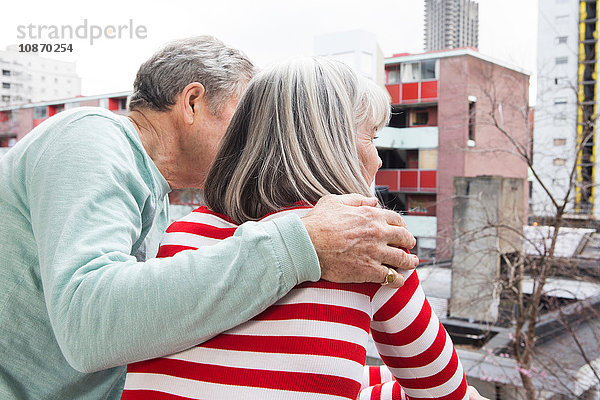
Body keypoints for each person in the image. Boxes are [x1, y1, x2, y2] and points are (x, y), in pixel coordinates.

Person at [0, 36, 419, 399]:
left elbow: (178, 338)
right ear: (193, 102)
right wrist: (301, 242)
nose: (256, 140)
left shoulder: (152, 193)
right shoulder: (91, 138)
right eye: (245, 121)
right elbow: (88, 325)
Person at [121, 57, 470, 400]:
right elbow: (444, 391)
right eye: (372, 138)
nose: (378, 159)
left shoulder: (184, 231)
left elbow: (250, 369)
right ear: (334, 145)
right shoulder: (365, 244)